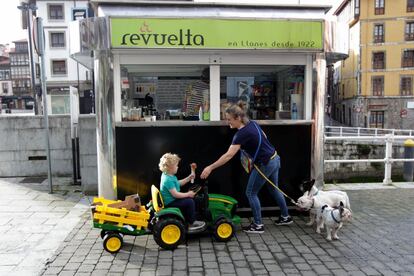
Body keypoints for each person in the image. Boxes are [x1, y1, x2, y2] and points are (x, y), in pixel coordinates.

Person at [200, 101, 292, 234]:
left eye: (229, 120)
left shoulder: (241, 134)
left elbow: (228, 156)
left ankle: (258, 225)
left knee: (251, 193)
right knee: (274, 188)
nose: (228, 123)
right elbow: (264, 137)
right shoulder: (252, 123)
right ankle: (286, 217)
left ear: (238, 118)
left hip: (265, 164)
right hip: (275, 158)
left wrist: (210, 167)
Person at [159, 153, 206, 231]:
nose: (178, 167)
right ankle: (191, 223)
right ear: (170, 168)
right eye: (176, 166)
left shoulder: (168, 175)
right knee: (189, 202)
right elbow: (175, 195)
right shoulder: (167, 180)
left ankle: (192, 216)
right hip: (171, 202)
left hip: (172, 199)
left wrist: (189, 178)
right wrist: (188, 194)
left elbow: (178, 183)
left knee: (191, 199)